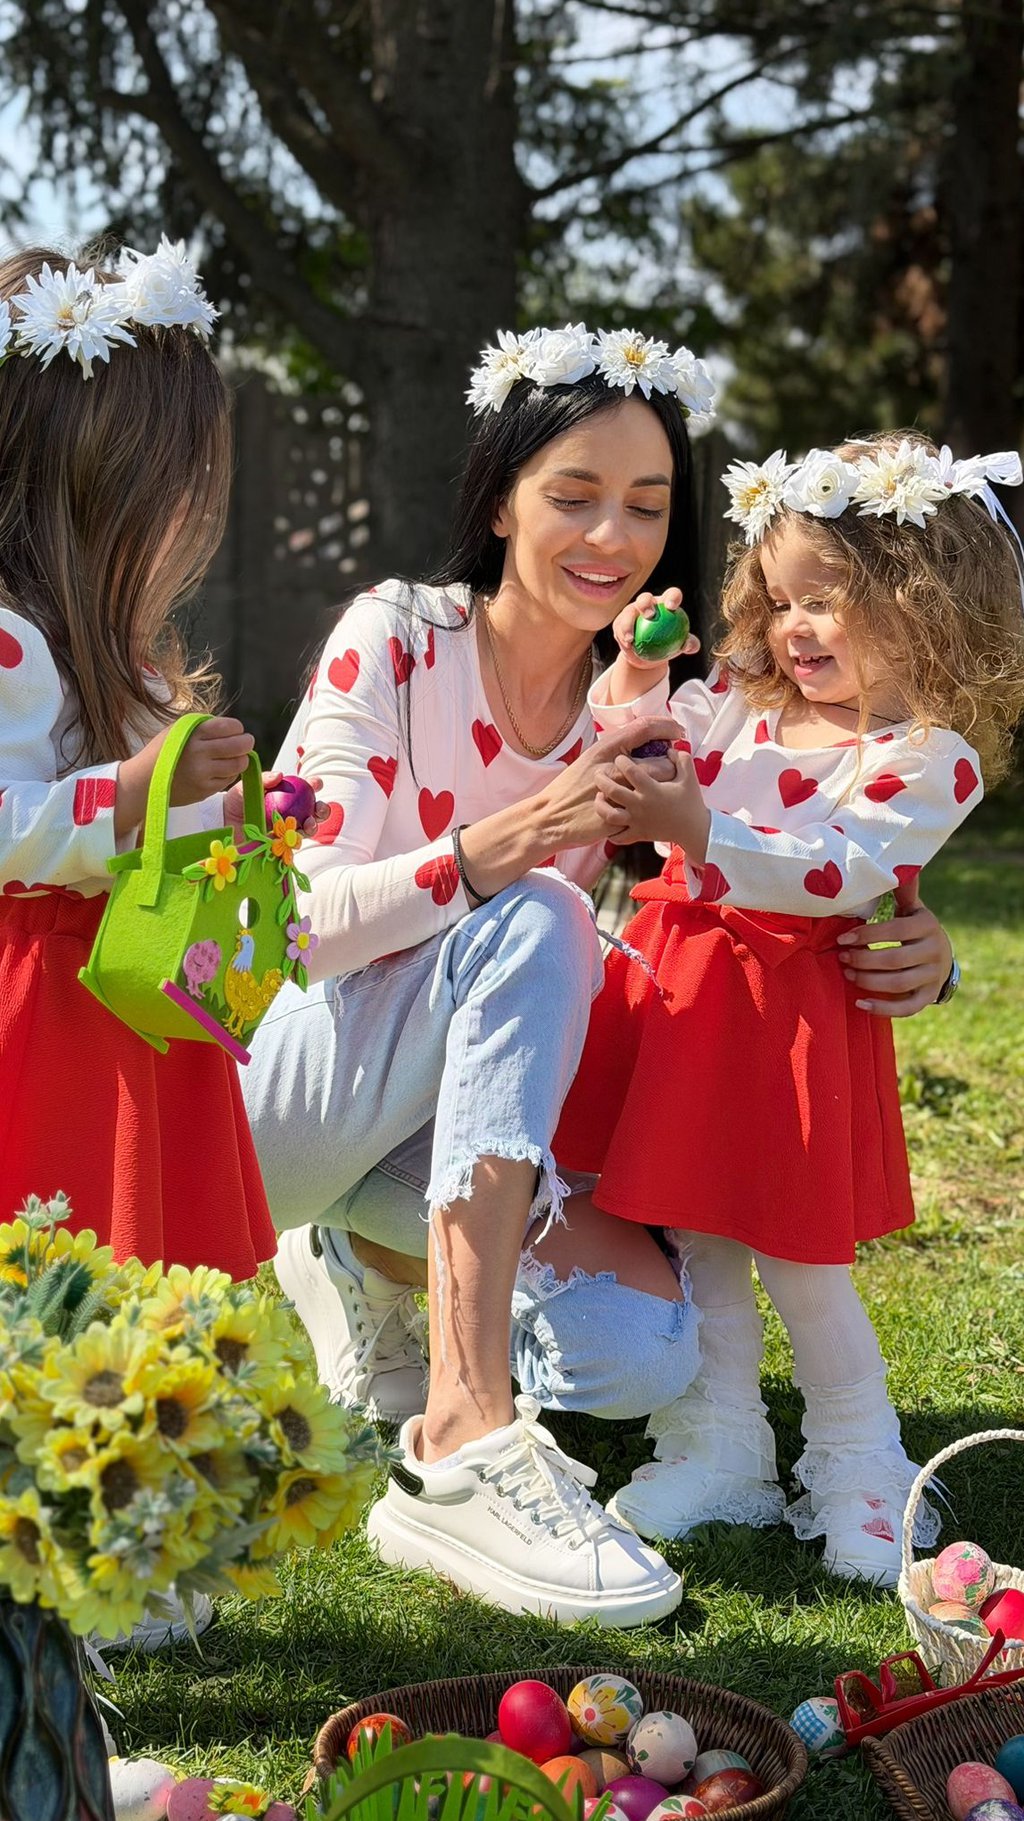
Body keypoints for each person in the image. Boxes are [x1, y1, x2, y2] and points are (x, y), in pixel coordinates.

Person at [244, 326, 960, 1620]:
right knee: (536, 920)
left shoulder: (642, 696)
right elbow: (299, 926)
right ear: (502, 495)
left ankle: (378, 1265)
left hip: (455, 1120)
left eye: (646, 503)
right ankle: (463, 1426)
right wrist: (507, 842)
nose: (611, 535)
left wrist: (922, 944)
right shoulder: (398, 637)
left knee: (643, 1354)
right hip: (298, 1078)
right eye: (573, 496)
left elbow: (796, 826)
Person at [554, 432, 1024, 1586]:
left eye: (827, 601)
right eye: (779, 603)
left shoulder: (926, 755)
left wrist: (700, 831)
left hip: (789, 1022)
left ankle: (862, 1460)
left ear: (926, 601)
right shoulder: (736, 706)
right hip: (688, 1000)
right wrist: (637, 671)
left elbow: (838, 872)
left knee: (800, 1256)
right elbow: (631, 744)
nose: (793, 629)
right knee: (699, 1230)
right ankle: (723, 1445)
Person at [0, 241, 275, 1283]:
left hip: (146, 1008)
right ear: (93, 490)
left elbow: (151, 834)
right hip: (50, 1021)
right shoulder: (12, 647)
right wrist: (130, 790)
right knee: (58, 1261)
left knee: (153, 1273)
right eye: (171, 487)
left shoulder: (126, 663)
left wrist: (226, 826)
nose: (186, 516)